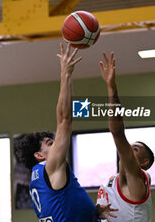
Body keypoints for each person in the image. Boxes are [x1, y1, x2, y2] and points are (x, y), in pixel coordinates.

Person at [14, 43, 118, 222]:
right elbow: (64, 120)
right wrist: (66, 73)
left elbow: (60, 207)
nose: (56, 144)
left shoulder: (38, 178)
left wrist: (92, 211)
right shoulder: (50, 166)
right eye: (50, 143)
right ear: (39, 155)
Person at [96, 52, 154, 222]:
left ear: (144, 163)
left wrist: (111, 88)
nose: (128, 148)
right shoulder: (111, 181)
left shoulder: (137, 182)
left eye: (134, 149)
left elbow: (118, 132)